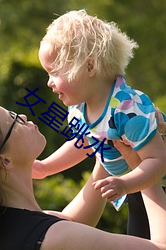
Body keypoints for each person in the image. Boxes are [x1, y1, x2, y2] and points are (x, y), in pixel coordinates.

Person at [0, 98, 166, 250]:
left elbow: (72, 221)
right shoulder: (54, 238)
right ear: (4, 160)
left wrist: (107, 140)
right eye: (13, 120)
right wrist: (142, 165)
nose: (22, 116)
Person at [35, 9, 166, 239]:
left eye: (54, 72)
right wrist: (46, 167)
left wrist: (125, 184)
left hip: (155, 186)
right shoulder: (79, 109)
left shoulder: (126, 109)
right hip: (137, 189)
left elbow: (158, 160)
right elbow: (83, 144)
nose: (49, 82)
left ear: (89, 67)